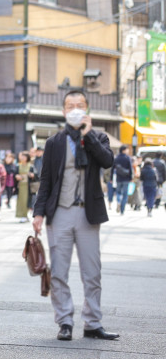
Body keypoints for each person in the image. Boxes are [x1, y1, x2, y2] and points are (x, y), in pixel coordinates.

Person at [33, 90, 118, 342]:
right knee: (59, 271)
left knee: (92, 271)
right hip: (59, 213)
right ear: (63, 111)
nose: (75, 109)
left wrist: (88, 134)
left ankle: (92, 322)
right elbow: (46, 179)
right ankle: (65, 321)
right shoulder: (54, 142)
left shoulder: (99, 137)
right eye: (70, 106)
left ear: (87, 110)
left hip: (87, 214)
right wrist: (38, 212)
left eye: (80, 105)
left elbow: (106, 161)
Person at [15, 151, 36, 222]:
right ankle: (22, 215)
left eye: (24, 156)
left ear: (27, 158)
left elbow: (36, 175)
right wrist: (16, 176)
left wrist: (32, 175)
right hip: (20, 186)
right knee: (21, 201)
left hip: (28, 186)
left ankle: (25, 215)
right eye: (22, 156)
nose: (23, 158)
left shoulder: (31, 166)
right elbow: (15, 174)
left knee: (27, 200)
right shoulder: (18, 166)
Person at [113, 145, 133, 215]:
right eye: (127, 149)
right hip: (126, 178)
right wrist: (131, 178)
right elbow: (130, 169)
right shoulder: (127, 158)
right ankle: (122, 210)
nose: (128, 151)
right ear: (123, 150)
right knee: (125, 194)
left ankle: (118, 201)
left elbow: (113, 168)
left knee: (118, 192)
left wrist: (110, 178)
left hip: (118, 178)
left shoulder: (116, 158)